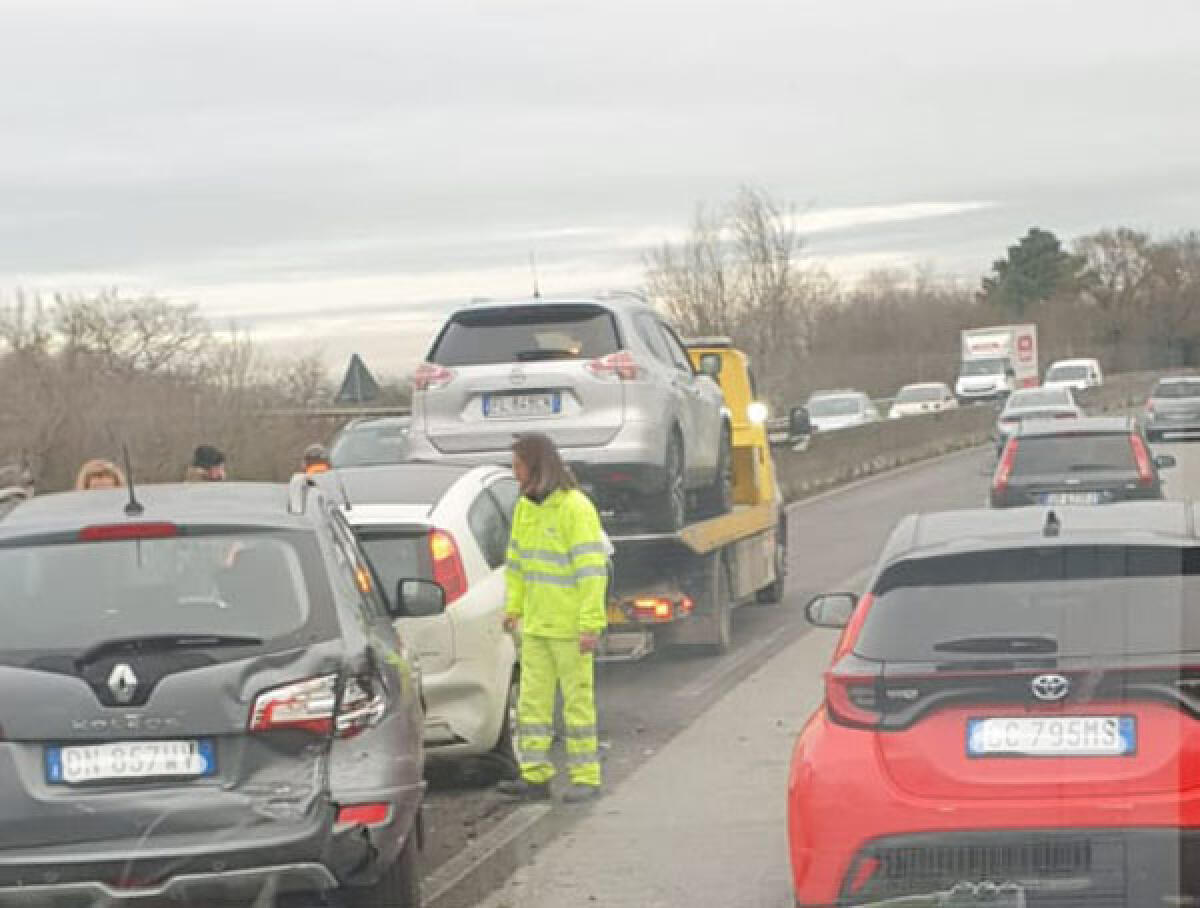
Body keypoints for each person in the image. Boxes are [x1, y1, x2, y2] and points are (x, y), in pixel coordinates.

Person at [497, 433, 609, 803]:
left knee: (577, 703)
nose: (514, 474)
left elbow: (591, 570)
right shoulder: (526, 508)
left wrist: (590, 623)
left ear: (537, 466)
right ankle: (535, 776)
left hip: (569, 627)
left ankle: (586, 776)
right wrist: (514, 608)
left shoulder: (575, 509)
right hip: (537, 625)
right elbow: (516, 565)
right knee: (532, 704)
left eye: (518, 466)